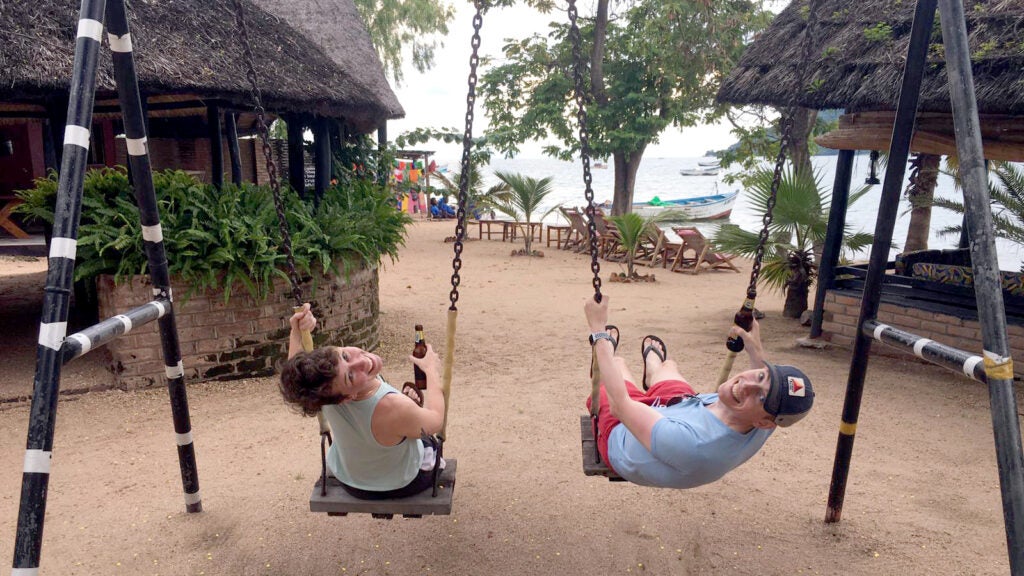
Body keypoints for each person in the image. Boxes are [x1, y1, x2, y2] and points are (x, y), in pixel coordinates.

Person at [584, 296, 814, 489]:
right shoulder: (768, 418)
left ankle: (609, 353)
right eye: (762, 377)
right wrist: (755, 348)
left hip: (624, 433)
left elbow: (620, 404)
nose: (747, 385)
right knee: (667, 368)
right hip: (682, 409)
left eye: (761, 396)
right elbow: (764, 381)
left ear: (765, 423)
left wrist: (598, 332)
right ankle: (652, 370)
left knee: (617, 366)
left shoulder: (695, 445)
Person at [279, 304, 446, 499]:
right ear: (347, 397)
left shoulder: (322, 391)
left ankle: (400, 424)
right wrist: (431, 370)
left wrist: (298, 331)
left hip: (351, 480)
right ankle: (405, 423)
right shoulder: (393, 406)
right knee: (427, 439)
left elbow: (296, 375)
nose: (362, 362)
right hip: (402, 483)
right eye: (350, 376)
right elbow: (436, 419)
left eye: (345, 355)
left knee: (401, 419)